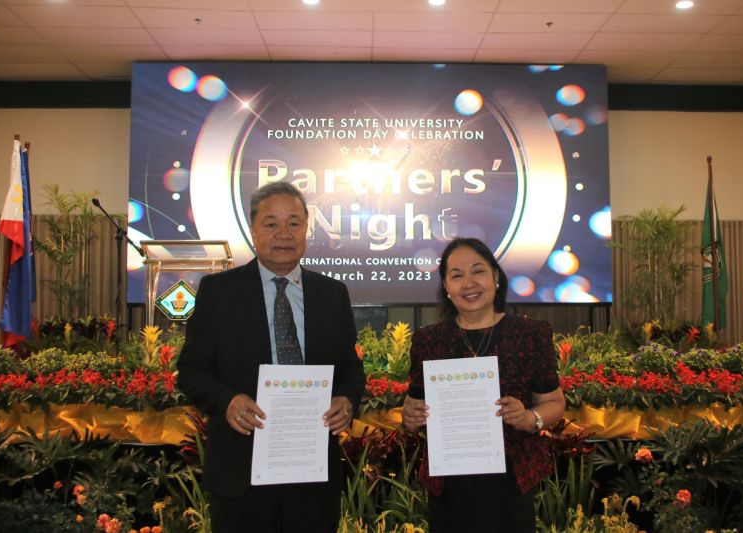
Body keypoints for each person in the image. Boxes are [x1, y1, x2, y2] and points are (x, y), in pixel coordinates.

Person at [177, 182, 365, 533]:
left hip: (312, 471)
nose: (284, 234)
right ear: (252, 230)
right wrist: (227, 401)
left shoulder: (332, 294)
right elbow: (191, 370)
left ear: (306, 230)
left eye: (294, 223)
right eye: (271, 223)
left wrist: (347, 398)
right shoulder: (219, 293)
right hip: (241, 473)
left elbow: (350, 368)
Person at [401, 237, 565, 533]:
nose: (469, 283)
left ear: (496, 278)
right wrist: (410, 418)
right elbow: (414, 408)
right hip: (448, 488)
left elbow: (554, 403)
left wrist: (530, 418)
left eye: (478, 271)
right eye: (456, 275)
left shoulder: (529, 334)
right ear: (446, 289)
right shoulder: (428, 341)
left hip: (511, 486)